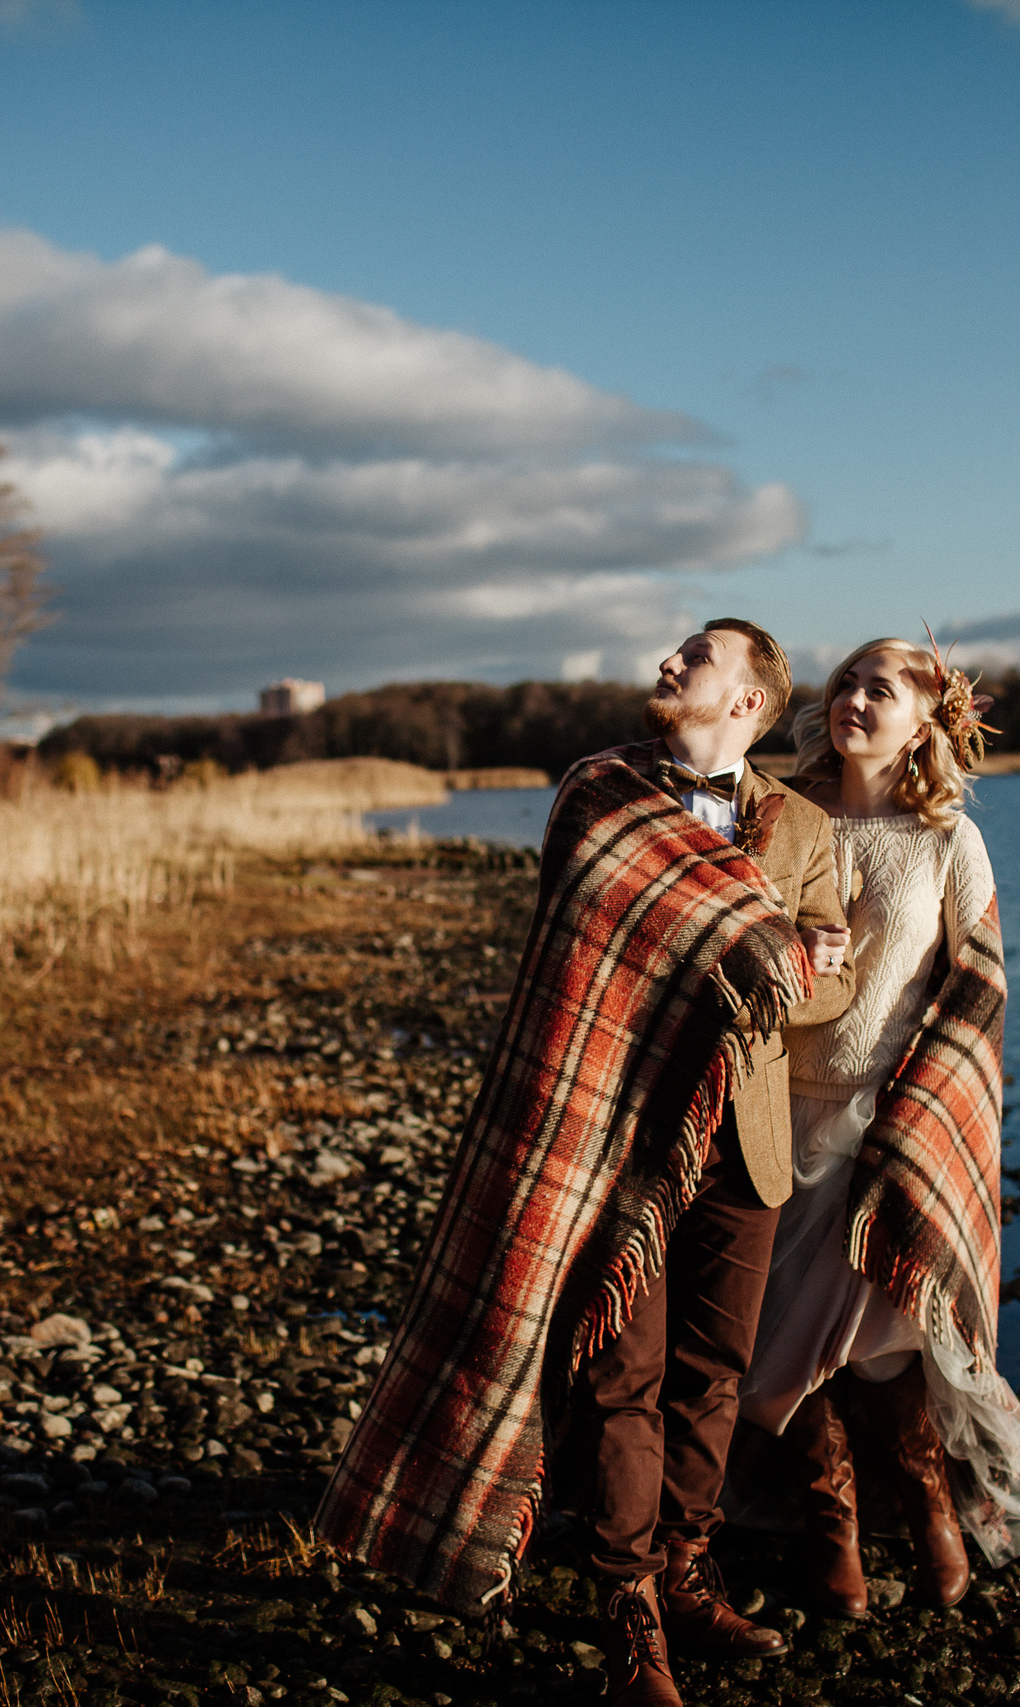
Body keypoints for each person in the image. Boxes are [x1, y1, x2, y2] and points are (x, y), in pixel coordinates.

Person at [315, 619, 853, 1707]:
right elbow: (593, 945)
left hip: (742, 1137)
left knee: (714, 1377)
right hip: (615, 1131)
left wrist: (781, 959)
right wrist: (769, 949)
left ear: (745, 702)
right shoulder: (602, 795)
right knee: (624, 1378)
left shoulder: (798, 823)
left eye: (695, 658)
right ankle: (629, 1609)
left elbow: (831, 981)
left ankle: (686, 1570)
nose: (668, 663)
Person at [734, 635, 1020, 1621]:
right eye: (846, 685)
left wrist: (926, 1113)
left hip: (892, 1122)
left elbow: (982, 984)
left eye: (880, 690)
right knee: (769, 1355)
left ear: (926, 722)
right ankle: (829, 1522)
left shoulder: (946, 839)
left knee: (883, 1346)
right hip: (776, 1116)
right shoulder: (780, 819)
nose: (854, 702)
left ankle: (928, 1507)